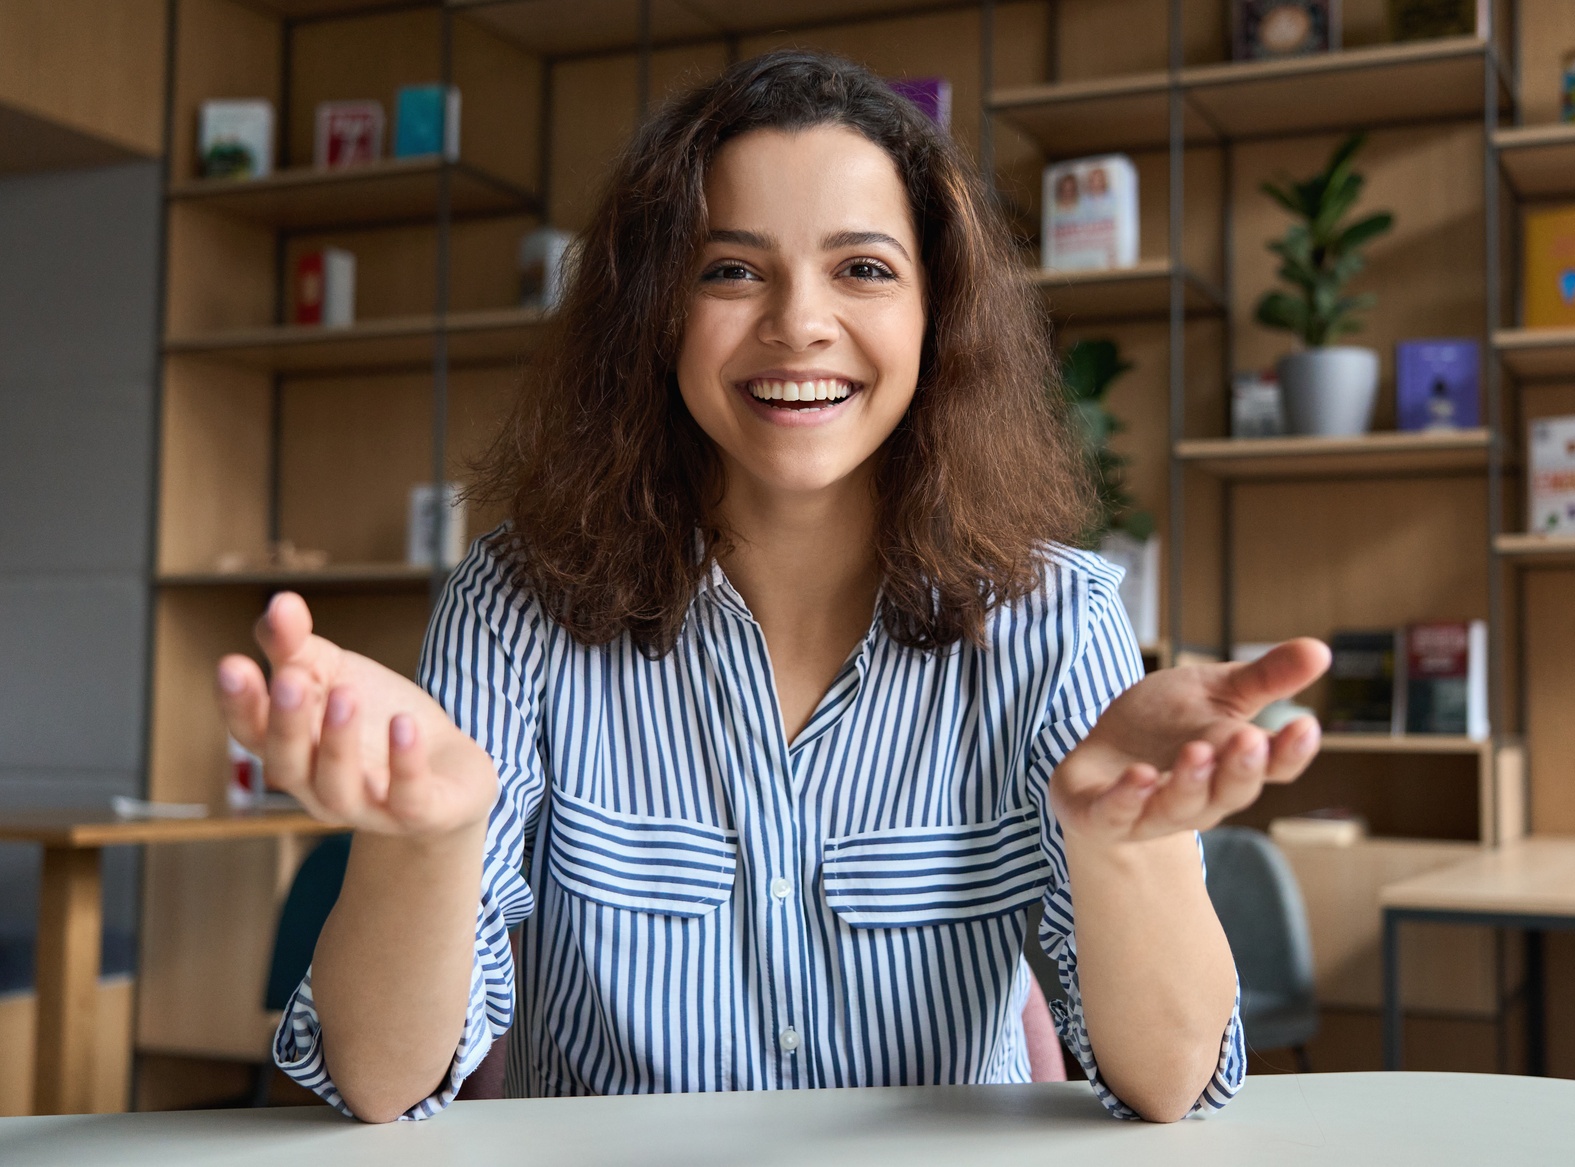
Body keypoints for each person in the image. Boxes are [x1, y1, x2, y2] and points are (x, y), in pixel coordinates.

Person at [216, 50, 1328, 1125]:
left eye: (864, 269)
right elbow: (377, 1082)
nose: (799, 322)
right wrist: (429, 841)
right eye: (731, 269)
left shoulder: (1058, 618)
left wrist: (1119, 850)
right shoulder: (517, 603)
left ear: (937, 316)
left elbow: (1174, 1084)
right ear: (654, 313)